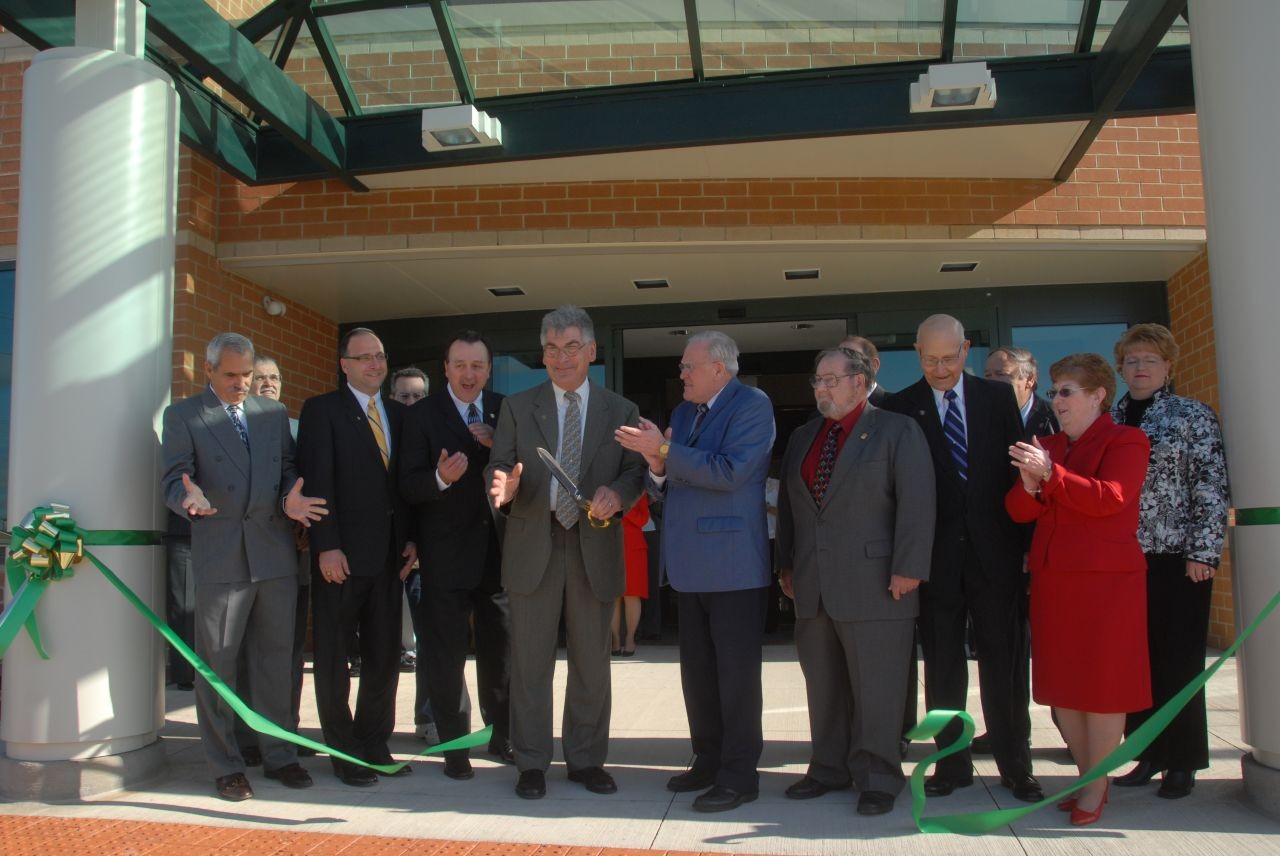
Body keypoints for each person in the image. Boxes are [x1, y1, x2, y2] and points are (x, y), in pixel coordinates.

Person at [487, 305, 646, 800]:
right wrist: (503, 487)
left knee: (592, 664)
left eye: (572, 347)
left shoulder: (621, 410)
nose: (561, 357)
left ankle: (586, 760)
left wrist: (618, 495)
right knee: (530, 662)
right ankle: (531, 762)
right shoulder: (518, 406)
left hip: (593, 544)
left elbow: (636, 472)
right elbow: (499, 465)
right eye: (552, 349)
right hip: (533, 543)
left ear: (592, 352)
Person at [881, 314, 1041, 802]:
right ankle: (951, 765)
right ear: (917, 352)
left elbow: (1017, 475)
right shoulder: (902, 407)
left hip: (997, 555)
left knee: (1005, 663)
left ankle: (1016, 765)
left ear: (966, 349)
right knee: (944, 667)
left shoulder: (996, 398)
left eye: (949, 358)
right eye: (930, 360)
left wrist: (1027, 547)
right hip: (935, 561)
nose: (941, 368)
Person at [160, 332, 326, 801]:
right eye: (230, 375)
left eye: (246, 375)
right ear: (208, 370)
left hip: (273, 554)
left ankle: (280, 755)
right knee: (218, 667)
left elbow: (289, 467)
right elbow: (174, 478)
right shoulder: (184, 415)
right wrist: (186, 498)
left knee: (276, 662)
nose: (239, 383)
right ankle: (226, 763)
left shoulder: (271, 414)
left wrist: (292, 495)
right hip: (221, 555)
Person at [616, 330, 775, 813]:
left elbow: (730, 472)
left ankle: (739, 775)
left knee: (736, 677)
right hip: (688, 563)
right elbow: (666, 483)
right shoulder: (684, 414)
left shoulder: (752, 405)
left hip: (733, 567)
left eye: (689, 366)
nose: (681, 373)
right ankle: (707, 760)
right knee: (699, 675)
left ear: (719, 370)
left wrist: (663, 453)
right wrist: (654, 464)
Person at [775, 347, 934, 816]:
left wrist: (909, 565)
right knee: (823, 686)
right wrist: (786, 564)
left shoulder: (896, 430)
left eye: (831, 380)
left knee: (878, 689)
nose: (822, 388)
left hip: (879, 583)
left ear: (861, 382)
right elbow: (791, 509)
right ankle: (827, 767)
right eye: (818, 381)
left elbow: (918, 502)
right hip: (812, 583)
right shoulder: (805, 436)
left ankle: (879, 776)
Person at [1005, 352, 1152, 826]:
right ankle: (1091, 779)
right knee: (1063, 687)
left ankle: (1094, 786)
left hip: (1107, 584)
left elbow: (1111, 498)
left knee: (1102, 687)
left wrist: (1051, 475)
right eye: (1054, 391)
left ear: (1097, 396)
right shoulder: (1046, 444)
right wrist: (1030, 485)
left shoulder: (1126, 440)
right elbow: (1018, 512)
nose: (1057, 400)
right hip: (1054, 580)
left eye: (1067, 391)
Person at [1111, 324, 1230, 800]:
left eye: (1150, 360)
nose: (1140, 368)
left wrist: (1203, 551)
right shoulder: (1111, 415)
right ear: (1120, 367)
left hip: (1178, 558)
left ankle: (1181, 762)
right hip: (1122, 559)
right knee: (1135, 662)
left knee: (1178, 662)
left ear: (1168, 367)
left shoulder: (1191, 415)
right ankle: (1146, 753)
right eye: (1132, 359)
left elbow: (1210, 484)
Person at [297, 328, 417, 787]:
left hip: (389, 559)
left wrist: (411, 541)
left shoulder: (399, 415)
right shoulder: (322, 411)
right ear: (343, 364)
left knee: (385, 657)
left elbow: (402, 489)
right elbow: (317, 481)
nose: (374, 364)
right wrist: (326, 544)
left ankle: (373, 742)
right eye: (363, 357)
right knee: (333, 658)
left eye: (380, 356)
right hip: (340, 558)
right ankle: (343, 750)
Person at [400, 330, 512, 781]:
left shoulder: (505, 411)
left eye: (478, 366)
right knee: (445, 657)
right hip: (443, 557)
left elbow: (526, 471)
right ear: (444, 369)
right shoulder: (420, 416)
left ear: (489, 369)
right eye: (460, 365)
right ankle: (454, 749)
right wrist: (440, 479)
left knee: (502, 652)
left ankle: (503, 736)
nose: (469, 374)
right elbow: (406, 486)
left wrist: (497, 448)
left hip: (499, 554)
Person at [234, 356, 316, 765]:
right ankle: (248, 735)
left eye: (274, 377)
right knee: (248, 650)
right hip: (246, 558)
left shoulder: (295, 427)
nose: (268, 384)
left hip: (294, 554)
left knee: (287, 652)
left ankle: (288, 729)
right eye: (260, 378)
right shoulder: (236, 428)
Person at [985, 346, 1059, 439]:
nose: (991, 381)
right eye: (988, 375)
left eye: (1001, 374)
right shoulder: (979, 418)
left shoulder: (1056, 417)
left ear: (1029, 380)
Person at [611, 495, 650, 657]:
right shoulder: (605, 486)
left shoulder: (637, 490)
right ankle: (615, 639)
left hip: (633, 546)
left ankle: (630, 638)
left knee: (632, 595)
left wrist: (623, 509)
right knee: (613, 595)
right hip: (610, 544)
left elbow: (643, 520)